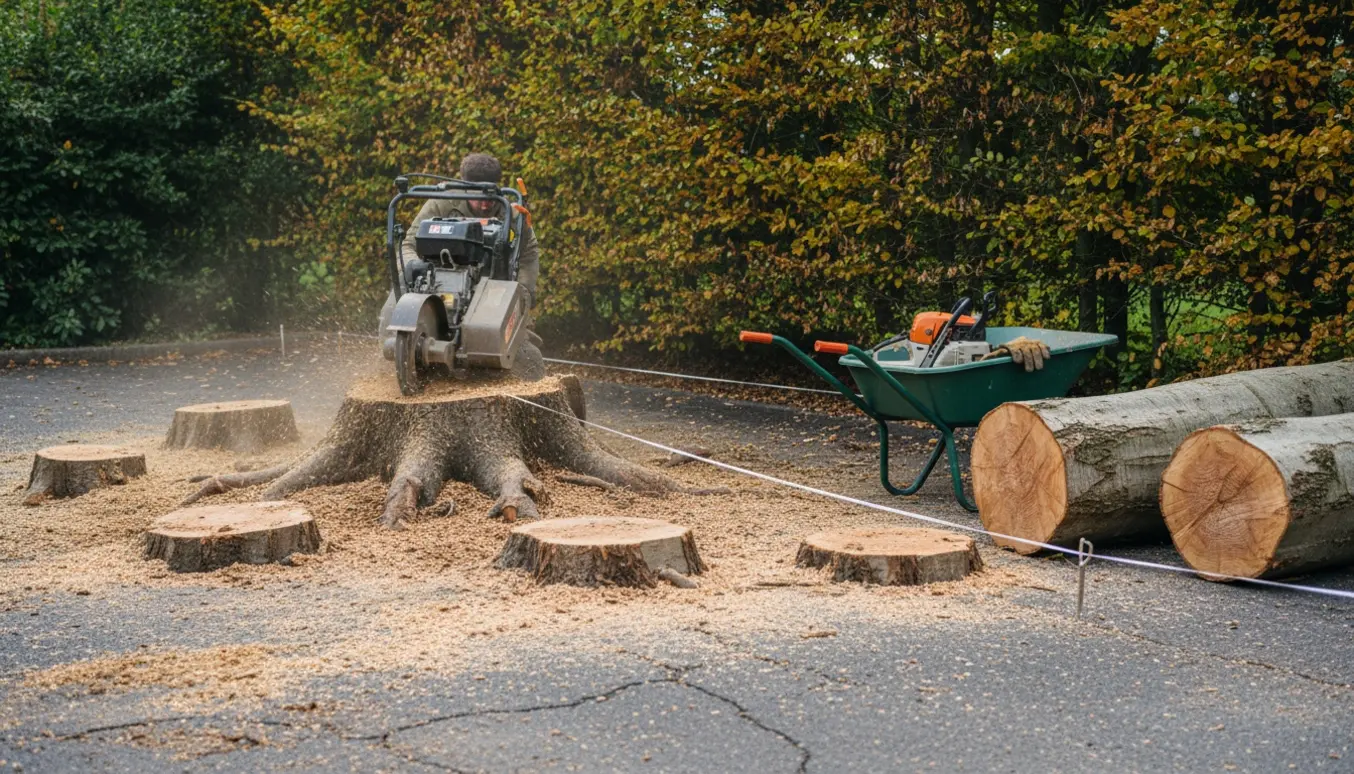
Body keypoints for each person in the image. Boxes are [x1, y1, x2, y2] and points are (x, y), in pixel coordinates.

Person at [398, 152, 540, 308]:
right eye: (479, 198)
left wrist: (524, 289)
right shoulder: (441, 204)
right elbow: (408, 245)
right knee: (399, 300)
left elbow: (528, 251)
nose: (485, 205)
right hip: (437, 281)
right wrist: (415, 267)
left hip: (494, 288)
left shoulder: (512, 214)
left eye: (490, 198)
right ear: (465, 189)